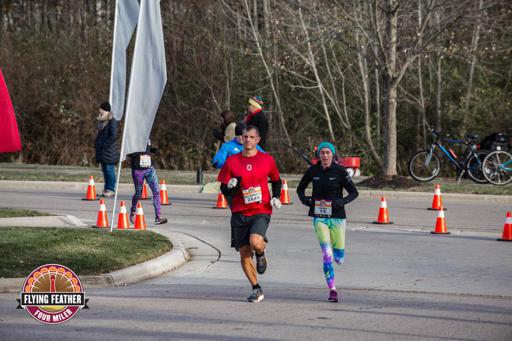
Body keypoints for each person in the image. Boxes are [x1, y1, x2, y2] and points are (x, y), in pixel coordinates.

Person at [217, 125, 282, 302]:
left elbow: (276, 181)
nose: (248, 140)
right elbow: (224, 188)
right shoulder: (232, 161)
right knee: (244, 253)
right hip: (239, 211)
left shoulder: (267, 160)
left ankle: (260, 252)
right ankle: (256, 288)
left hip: (261, 209)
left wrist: (276, 197)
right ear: (241, 138)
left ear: (258, 140)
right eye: (245, 137)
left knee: (255, 242)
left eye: (252, 137)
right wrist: (229, 186)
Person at [296, 141, 358, 303]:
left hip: (337, 217)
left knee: (339, 257)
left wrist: (341, 202)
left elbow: (354, 192)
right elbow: (300, 189)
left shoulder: (340, 171)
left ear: (332, 154)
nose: (325, 156)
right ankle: (332, 290)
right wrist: (305, 200)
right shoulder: (312, 171)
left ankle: (339, 253)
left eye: (328, 153)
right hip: (319, 217)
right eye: (322, 153)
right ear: (319, 155)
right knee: (327, 255)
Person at [128, 141, 168, 225]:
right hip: (138, 170)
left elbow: (148, 148)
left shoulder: (147, 136)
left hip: (149, 169)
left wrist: (152, 150)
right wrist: (141, 152)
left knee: (156, 191)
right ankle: (133, 211)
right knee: (139, 193)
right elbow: (129, 153)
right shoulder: (134, 137)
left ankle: (158, 217)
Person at [94, 101, 119, 197]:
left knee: (109, 170)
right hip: (102, 150)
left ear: (105, 110)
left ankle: (111, 189)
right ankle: (106, 189)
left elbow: (114, 136)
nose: (99, 111)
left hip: (109, 151)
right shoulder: (102, 121)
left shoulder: (112, 121)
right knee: (105, 171)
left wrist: (105, 145)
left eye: (100, 109)